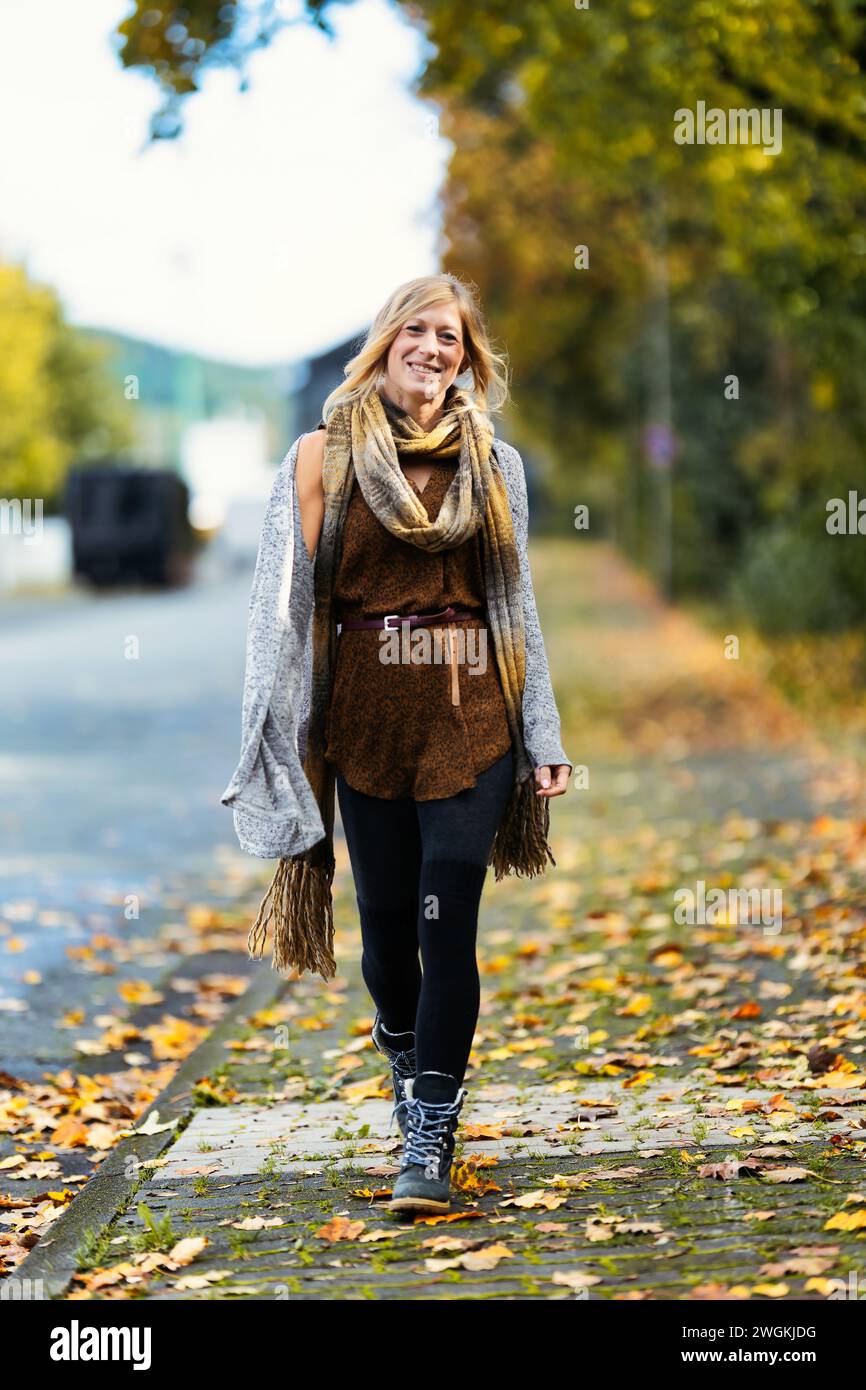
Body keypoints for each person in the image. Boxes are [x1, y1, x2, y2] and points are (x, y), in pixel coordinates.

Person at [225, 273, 571, 1215]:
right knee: (387, 943)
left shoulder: (496, 466)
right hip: (366, 720)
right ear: (384, 345)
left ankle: (429, 1134)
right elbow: (282, 614)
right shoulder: (319, 459)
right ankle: (404, 1051)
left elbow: (517, 605)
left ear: (469, 359)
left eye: (450, 337)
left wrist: (541, 731)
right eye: (415, 330)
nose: (433, 347)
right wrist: (277, 742)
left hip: (472, 716)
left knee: (444, 918)